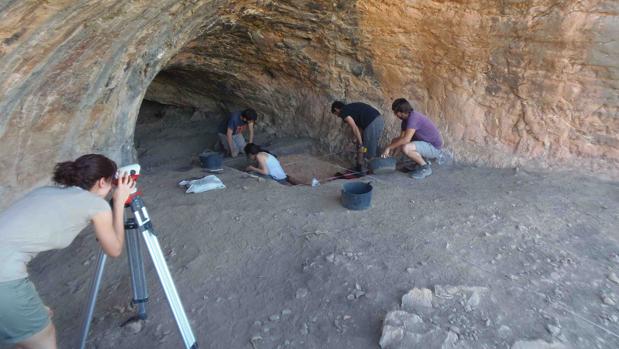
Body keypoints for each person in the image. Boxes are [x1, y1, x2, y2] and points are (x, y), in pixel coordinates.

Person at [0, 154, 135, 349]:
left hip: (7, 277)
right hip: (5, 280)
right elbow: (114, 249)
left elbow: (12, 244)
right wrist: (119, 202)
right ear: (101, 182)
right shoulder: (96, 205)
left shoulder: (45, 191)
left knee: (27, 334)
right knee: (43, 338)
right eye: (111, 182)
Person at [382, 98, 444, 179]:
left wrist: (388, 147)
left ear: (401, 112)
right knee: (395, 141)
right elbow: (401, 139)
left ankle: (425, 167)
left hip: (434, 148)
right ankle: (414, 164)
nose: (395, 114)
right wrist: (393, 159)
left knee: (406, 147)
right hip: (425, 144)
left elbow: (406, 140)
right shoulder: (405, 121)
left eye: (395, 112)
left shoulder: (414, 118)